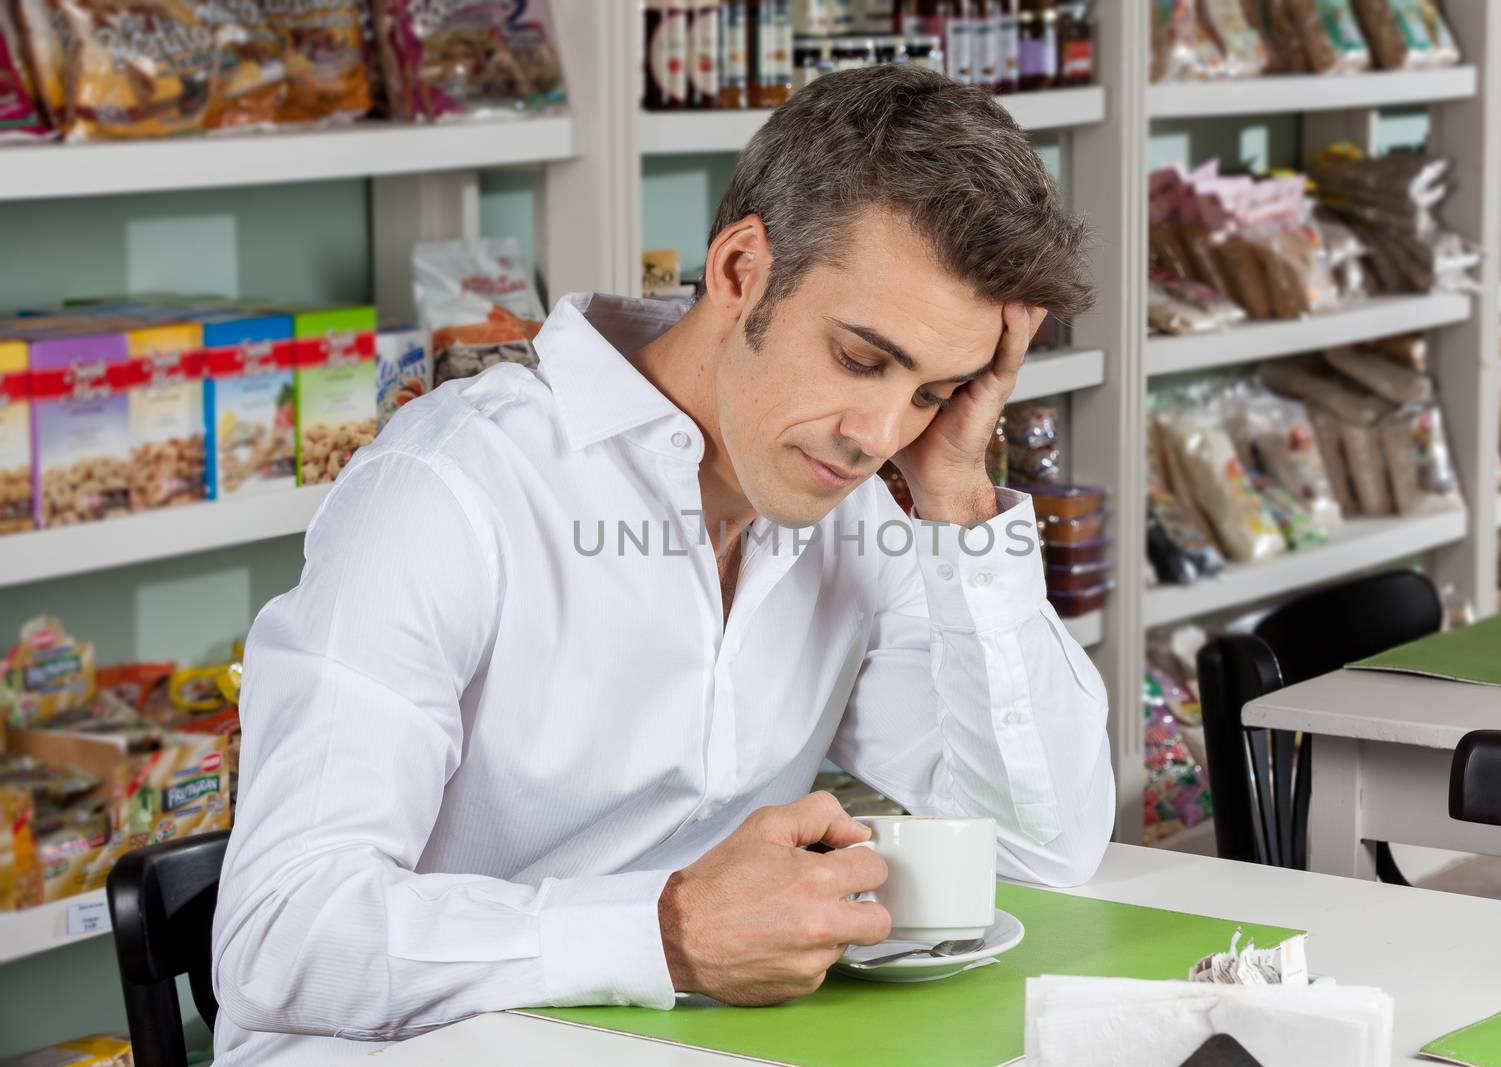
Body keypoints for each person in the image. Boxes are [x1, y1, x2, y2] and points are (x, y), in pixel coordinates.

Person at [210, 63, 1114, 1065]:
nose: (877, 433)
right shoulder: (449, 487)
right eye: (861, 359)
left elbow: (1040, 847)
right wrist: (666, 930)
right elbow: (280, 934)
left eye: (933, 389)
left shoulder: (860, 502)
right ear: (738, 272)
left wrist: (956, 496)